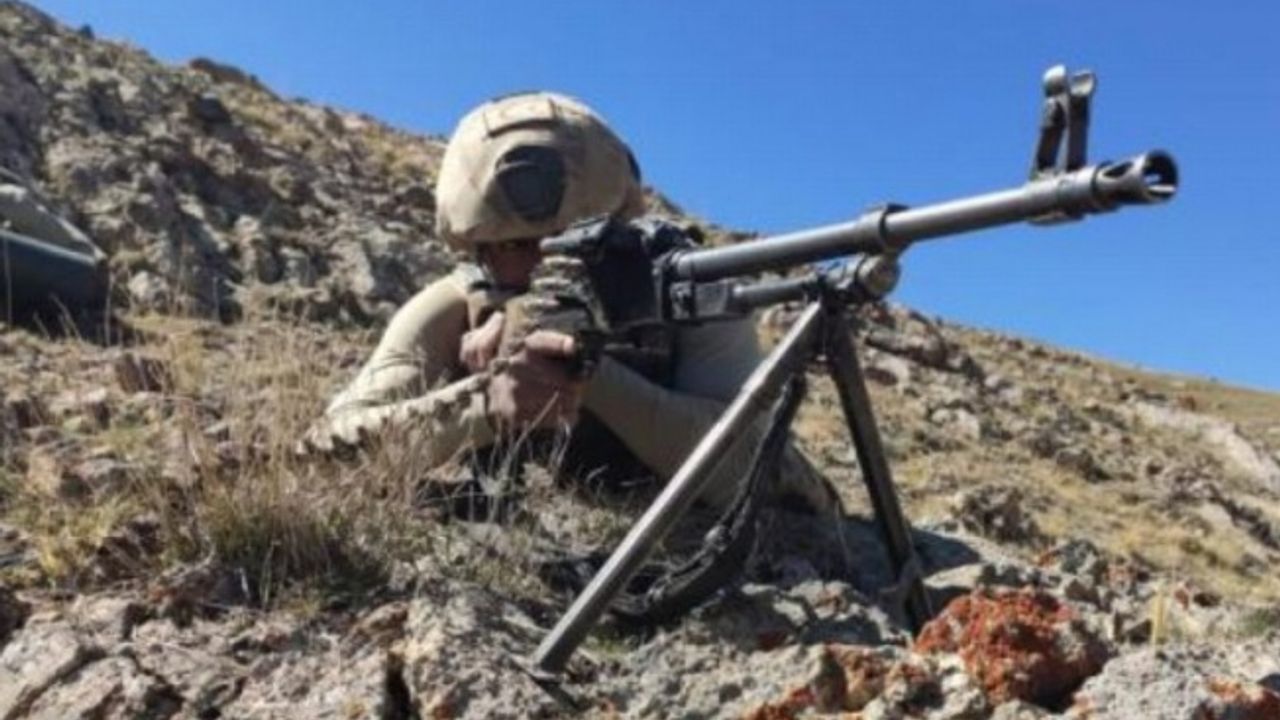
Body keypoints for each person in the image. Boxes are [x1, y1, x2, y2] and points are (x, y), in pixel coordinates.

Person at [304, 92, 836, 514]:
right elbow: (322, 457)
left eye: (575, 241)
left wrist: (588, 371)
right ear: (479, 250)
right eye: (516, 246)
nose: (546, 264)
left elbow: (745, 474)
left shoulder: (686, 286)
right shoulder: (458, 302)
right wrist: (484, 404)